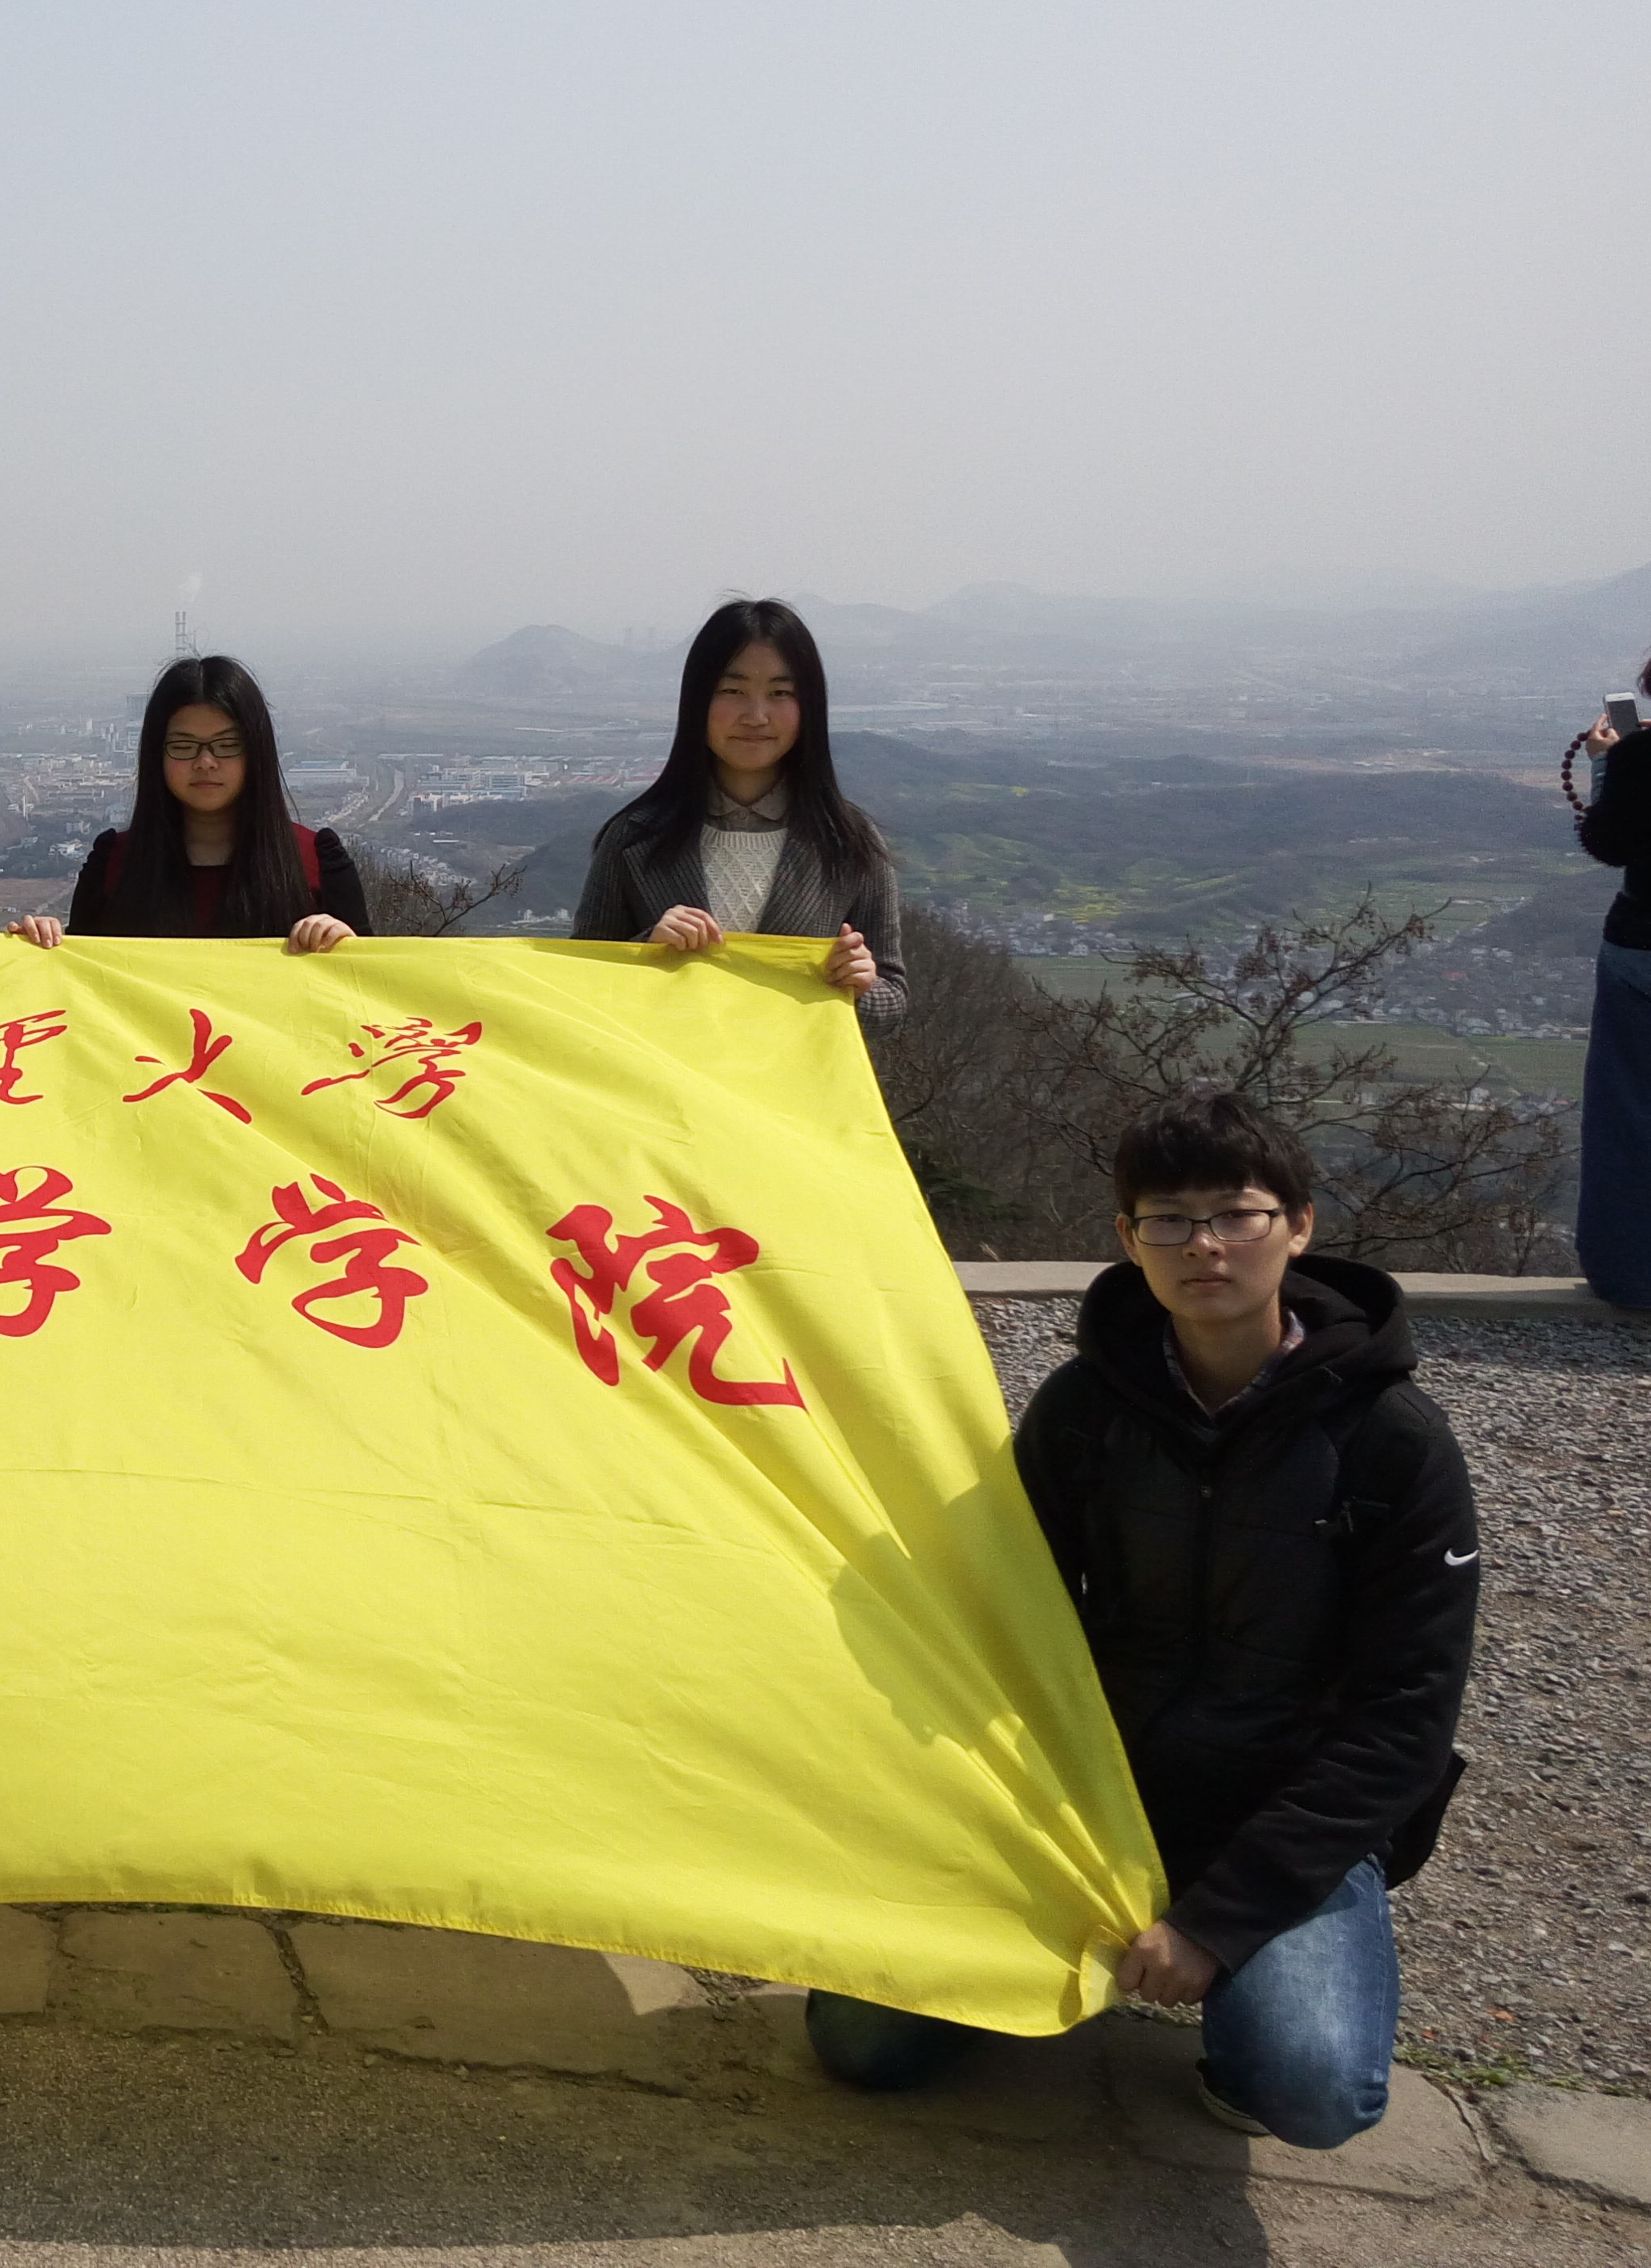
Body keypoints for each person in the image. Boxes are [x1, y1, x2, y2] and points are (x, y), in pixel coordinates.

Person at [803, 1091, 1475, 2149]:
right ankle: (1056, 1977)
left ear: (1298, 1226)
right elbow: (998, 1610)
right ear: (1127, 1239)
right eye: (1167, 1220)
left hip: (1276, 1816)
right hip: (1090, 1799)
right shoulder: (1087, 1407)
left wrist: (1218, 1921)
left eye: (1236, 1215)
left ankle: (1224, 2010)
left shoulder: (1393, 1441)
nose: (1203, 1245)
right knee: (860, 2043)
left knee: (1308, 2088)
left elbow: (1405, 1724)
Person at [572, 597, 905, 1020]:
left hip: (790, 1064)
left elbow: (893, 996)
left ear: (808, 707)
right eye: (733, 691)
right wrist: (646, 950)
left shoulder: (848, 841)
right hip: (667, 1063)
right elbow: (581, 980)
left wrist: (861, 987)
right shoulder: (634, 836)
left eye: (780, 693)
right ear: (698, 702)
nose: (756, 715)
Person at [7, 655, 369, 951]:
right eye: (183, 746)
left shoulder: (317, 863)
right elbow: (81, 982)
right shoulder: (113, 864)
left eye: (227, 745)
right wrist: (42, 945)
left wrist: (346, 943)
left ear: (256, 752)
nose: (205, 762)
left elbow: (368, 993)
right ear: (157, 755)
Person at [1572, 676, 1648, 1306]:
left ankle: (1630, 1277)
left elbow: (1609, 842)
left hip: (1642, 945)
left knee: (1627, 1112)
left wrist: (1608, 762)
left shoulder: (1640, 755)